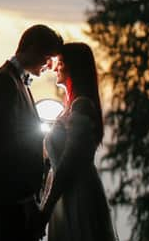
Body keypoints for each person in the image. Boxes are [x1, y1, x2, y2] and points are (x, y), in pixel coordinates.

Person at [0, 24, 63, 241]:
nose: (49, 65)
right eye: (47, 57)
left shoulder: (17, 83)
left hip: (15, 203)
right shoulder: (4, 82)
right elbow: (5, 147)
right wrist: (27, 200)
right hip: (8, 204)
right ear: (32, 48)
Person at [40, 42, 117, 241]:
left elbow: (69, 163)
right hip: (65, 196)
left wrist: (46, 209)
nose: (56, 67)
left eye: (62, 62)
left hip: (77, 196)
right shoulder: (69, 108)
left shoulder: (81, 105)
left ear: (75, 67)